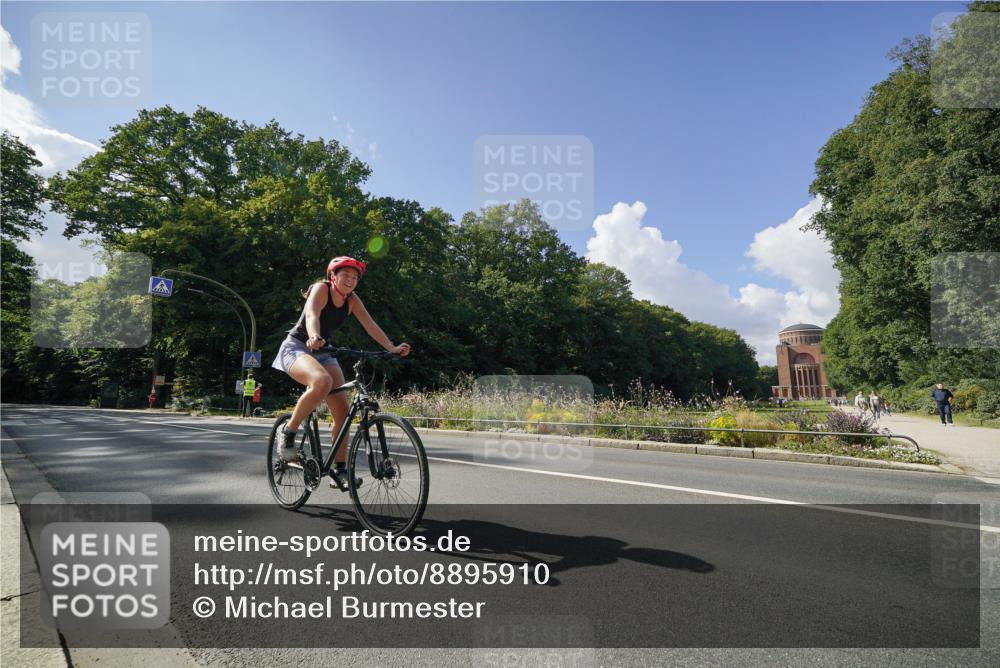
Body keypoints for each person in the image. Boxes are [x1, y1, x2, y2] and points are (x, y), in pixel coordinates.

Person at [270, 256, 411, 489]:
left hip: (324, 351)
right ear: (333, 276)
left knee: (343, 412)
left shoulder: (352, 300)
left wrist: (392, 348)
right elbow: (312, 315)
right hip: (297, 346)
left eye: (355, 277)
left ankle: (340, 470)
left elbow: (370, 325)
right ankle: (288, 431)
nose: (351, 280)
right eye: (345, 275)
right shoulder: (320, 289)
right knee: (321, 381)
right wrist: (313, 335)